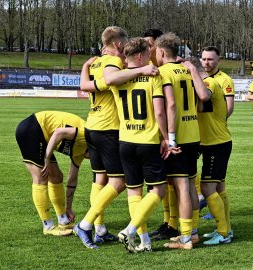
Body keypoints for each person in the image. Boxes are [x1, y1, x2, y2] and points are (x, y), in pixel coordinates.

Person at [76, 26, 158, 250]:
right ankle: (86, 224)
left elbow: (84, 86)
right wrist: (142, 71)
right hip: (109, 128)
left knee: (100, 179)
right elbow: (111, 79)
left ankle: (100, 229)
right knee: (120, 182)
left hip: (92, 126)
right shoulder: (112, 63)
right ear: (119, 45)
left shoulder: (95, 63)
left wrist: (84, 67)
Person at [108, 37, 173, 253]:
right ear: (139, 56)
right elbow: (160, 111)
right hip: (147, 142)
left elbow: (110, 80)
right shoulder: (152, 76)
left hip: (125, 141)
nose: (150, 57)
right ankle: (130, 230)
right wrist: (166, 138)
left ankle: (144, 241)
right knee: (158, 190)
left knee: (134, 193)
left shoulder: (118, 79)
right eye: (147, 54)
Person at [155, 32, 209, 250]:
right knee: (187, 185)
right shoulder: (188, 71)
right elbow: (201, 102)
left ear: (160, 52)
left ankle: (185, 237)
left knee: (181, 187)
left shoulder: (163, 72)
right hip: (193, 134)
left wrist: (170, 138)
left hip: (179, 138)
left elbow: (171, 106)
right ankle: (193, 232)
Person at [184, 57, 233, 245]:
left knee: (207, 187)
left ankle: (223, 233)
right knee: (219, 188)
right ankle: (225, 229)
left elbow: (203, 96)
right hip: (211, 142)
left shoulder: (208, 82)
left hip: (217, 143)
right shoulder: (204, 82)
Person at [15, 111, 88, 236]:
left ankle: (63, 220)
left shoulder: (83, 153)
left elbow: (72, 179)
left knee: (56, 177)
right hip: (32, 128)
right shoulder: (87, 135)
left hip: (44, 137)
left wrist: (68, 208)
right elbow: (59, 132)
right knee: (41, 178)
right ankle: (48, 226)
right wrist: (47, 158)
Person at [201, 46, 235, 118]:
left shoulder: (225, 80)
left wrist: (219, 122)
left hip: (215, 127)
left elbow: (229, 107)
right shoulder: (197, 78)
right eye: (204, 59)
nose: (206, 62)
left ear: (218, 60)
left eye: (210, 59)